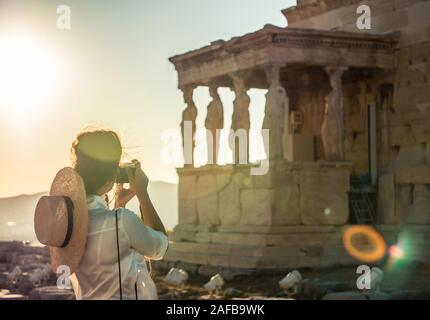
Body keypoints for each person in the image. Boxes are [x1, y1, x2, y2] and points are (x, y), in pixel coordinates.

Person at [68, 127, 168, 300]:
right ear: (111, 178)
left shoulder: (68, 222)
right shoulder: (122, 221)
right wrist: (142, 194)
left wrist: (118, 204)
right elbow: (160, 247)